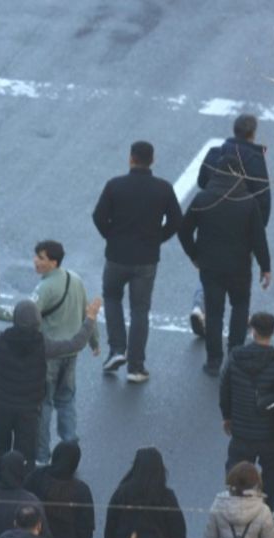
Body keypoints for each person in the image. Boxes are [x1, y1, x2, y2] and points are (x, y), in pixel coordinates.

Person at [0, 295, 100, 475]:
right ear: (37, 322)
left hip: (2, 407)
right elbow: (75, 344)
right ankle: (22, 491)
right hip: (29, 411)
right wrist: (90, 318)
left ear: (15, 319)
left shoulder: (1, 340)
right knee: (25, 456)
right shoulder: (43, 345)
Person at [0, 244, 100, 460]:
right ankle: (70, 447)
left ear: (53, 262)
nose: (36, 261)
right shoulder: (75, 279)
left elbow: (23, 313)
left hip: (49, 355)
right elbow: (89, 312)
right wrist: (94, 340)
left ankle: (42, 454)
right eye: (36, 257)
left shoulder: (45, 289)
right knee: (66, 400)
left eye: (41, 258)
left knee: (44, 404)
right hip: (70, 353)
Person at [92, 141, 183, 381]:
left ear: (131, 158)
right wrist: (158, 239)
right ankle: (136, 366)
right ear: (152, 160)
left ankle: (116, 350)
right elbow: (176, 221)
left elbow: (98, 217)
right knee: (140, 310)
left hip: (117, 256)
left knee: (111, 298)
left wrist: (111, 237)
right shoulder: (163, 188)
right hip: (146, 259)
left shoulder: (115, 186)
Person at [179, 157, 272, 376]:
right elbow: (259, 239)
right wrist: (265, 267)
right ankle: (235, 357)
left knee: (213, 314)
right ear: (240, 175)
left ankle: (213, 361)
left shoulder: (203, 198)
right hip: (239, 267)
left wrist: (194, 255)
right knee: (239, 309)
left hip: (210, 267)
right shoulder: (248, 202)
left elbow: (183, 231)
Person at [219, 311, 274, 516]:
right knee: (271, 480)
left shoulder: (235, 358)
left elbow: (225, 390)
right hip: (271, 435)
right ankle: (265, 516)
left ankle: (237, 514)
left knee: (237, 478)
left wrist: (227, 416)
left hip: (242, 432)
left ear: (252, 330)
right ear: (273, 331)